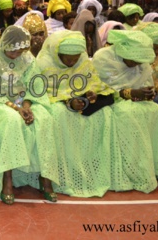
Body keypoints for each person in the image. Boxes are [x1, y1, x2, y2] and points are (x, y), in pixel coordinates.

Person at [0, 25, 59, 204]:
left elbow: (35, 85)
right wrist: (16, 108)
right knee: (11, 120)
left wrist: (27, 106)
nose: (17, 54)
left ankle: (46, 177)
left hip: (23, 101)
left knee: (44, 118)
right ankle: (7, 178)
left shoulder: (27, 57)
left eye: (20, 50)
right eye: (13, 50)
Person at [92, 30, 158, 193]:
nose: (137, 64)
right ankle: (133, 171)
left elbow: (146, 82)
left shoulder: (141, 62)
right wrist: (129, 93)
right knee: (129, 115)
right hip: (111, 102)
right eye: (133, 60)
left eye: (140, 61)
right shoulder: (103, 58)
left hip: (137, 102)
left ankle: (156, 168)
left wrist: (147, 92)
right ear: (123, 51)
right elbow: (98, 89)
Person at [36, 30, 118, 198]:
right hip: (55, 105)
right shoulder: (44, 64)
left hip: (80, 104)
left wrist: (90, 93)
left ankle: (91, 167)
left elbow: (93, 83)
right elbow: (41, 92)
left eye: (75, 57)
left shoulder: (82, 62)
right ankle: (60, 172)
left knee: (104, 113)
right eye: (67, 58)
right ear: (57, 53)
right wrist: (68, 100)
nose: (72, 61)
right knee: (59, 114)